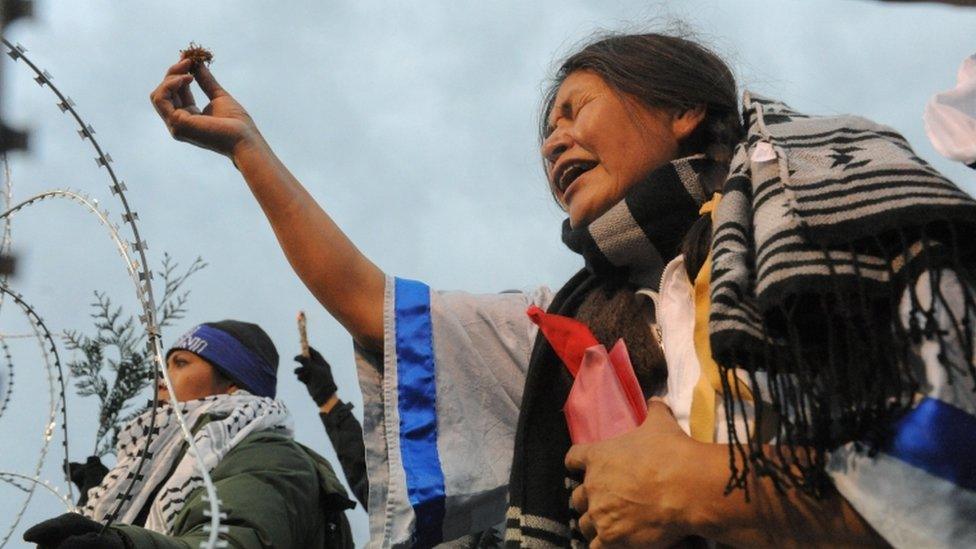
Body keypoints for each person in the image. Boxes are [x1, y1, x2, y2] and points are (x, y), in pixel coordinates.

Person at [149, 31, 976, 547]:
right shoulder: (571, 335)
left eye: (575, 109)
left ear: (683, 108)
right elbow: (369, 301)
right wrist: (248, 150)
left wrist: (700, 491)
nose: (555, 142)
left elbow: (950, 491)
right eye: (547, 133)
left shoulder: (834, 208)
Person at [24, 320, 355, 549]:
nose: (161, 379)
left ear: (233, 384)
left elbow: (237, 539)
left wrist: (123, 542)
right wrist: (99, 503)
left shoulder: (272, 456)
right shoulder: (161, 468)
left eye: (180, 364)